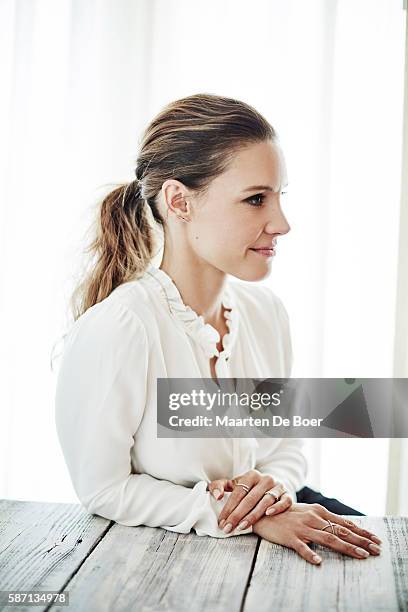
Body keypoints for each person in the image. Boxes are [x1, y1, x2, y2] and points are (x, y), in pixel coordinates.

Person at [54, 93, 381, 565]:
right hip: (164, 561)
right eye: (255, 199)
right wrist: (235, 513)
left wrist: (272, 493)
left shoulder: (267, 314)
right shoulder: (121, 329)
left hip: (278, 520)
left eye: (279, 196)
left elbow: (284, 447)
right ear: (178, 201)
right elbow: (102, 488)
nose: (282, 223)